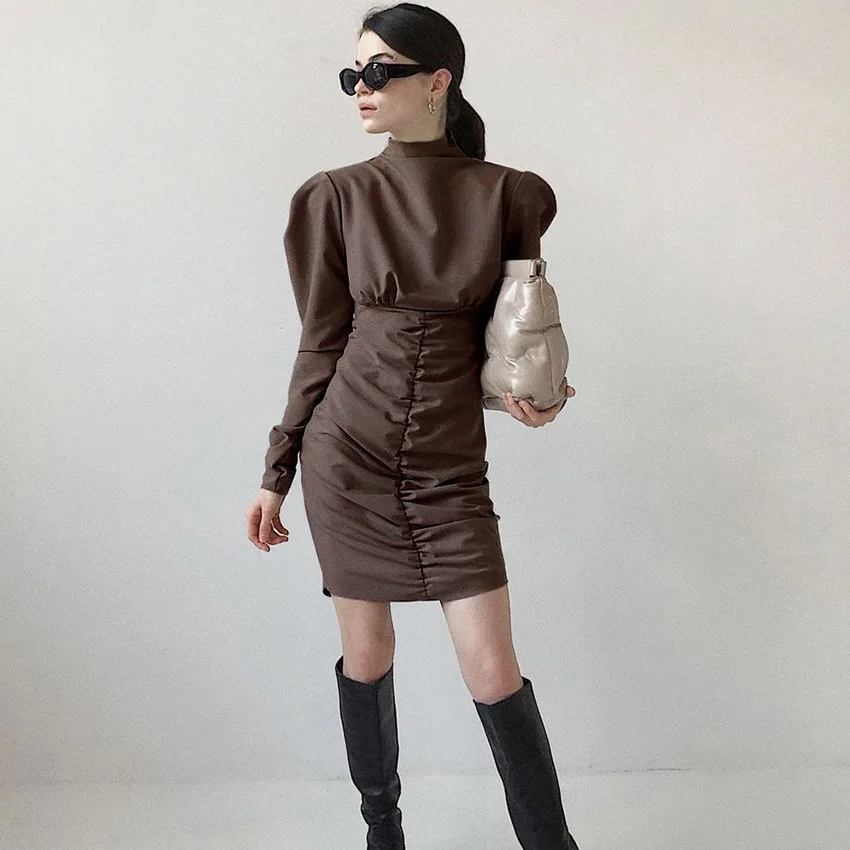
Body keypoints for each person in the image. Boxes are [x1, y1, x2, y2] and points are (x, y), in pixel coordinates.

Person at [246, 4, 579, 848]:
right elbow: (322, 341)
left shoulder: (510, 194)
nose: (361, 88)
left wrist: (534, 393)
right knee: (368, 655)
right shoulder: (334, 197)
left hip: (449, 465)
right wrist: (277, 469)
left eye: (379, 72)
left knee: (494, 670)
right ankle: (382, 835)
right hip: (345, 456)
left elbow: (518, 332)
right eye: (353, 74)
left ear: (438, 82)